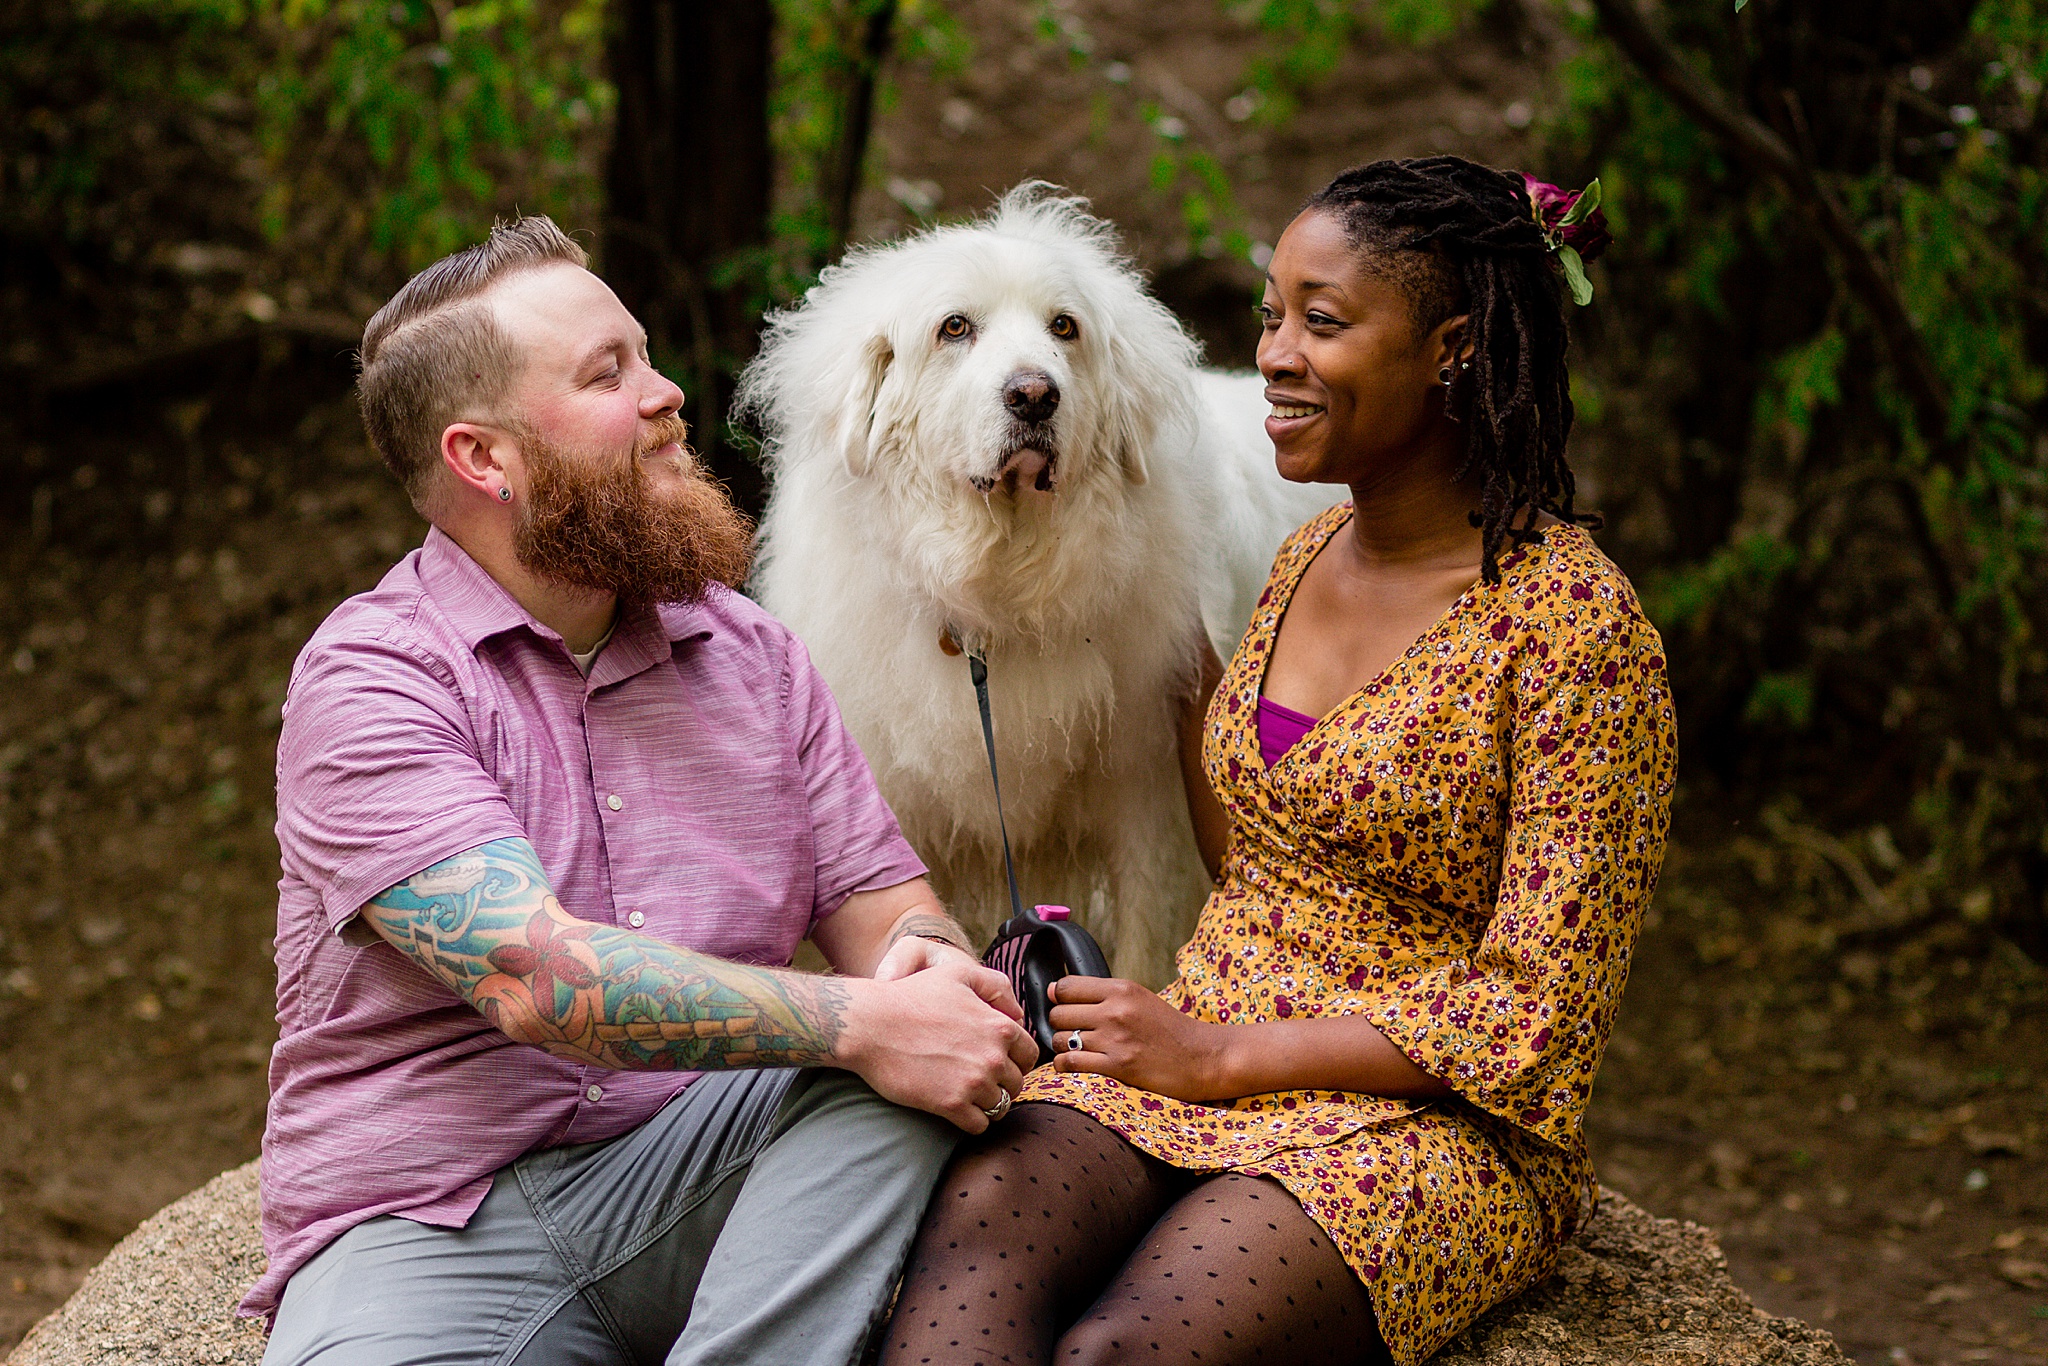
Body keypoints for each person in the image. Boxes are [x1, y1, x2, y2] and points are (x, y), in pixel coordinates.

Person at [878, 155, 1677, 1366]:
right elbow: (1263, 858)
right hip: (1203, 1041)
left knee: (1119, 1348)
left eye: (1321, 321)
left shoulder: (1577, 631)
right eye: (1267, 315)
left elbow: (1539, 1020)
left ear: (1450, 347)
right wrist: (1121, 630)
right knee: (973, 1234)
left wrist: (1222, 1056)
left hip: (1433, 1123)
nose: (1271, 355)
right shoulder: (1303, 561)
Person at [241, 215, 1040, 1366]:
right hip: (430, 1226)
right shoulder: (374, 678)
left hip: (714, 1175)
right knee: (877, 1041)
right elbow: (540, 980)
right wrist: (863, 1016)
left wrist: (921, 962)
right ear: (485, 459)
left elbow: (889, 917)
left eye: (647, 354)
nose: (668, 394)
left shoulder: (751, 653)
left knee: (911, 1071)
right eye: (608, 373)